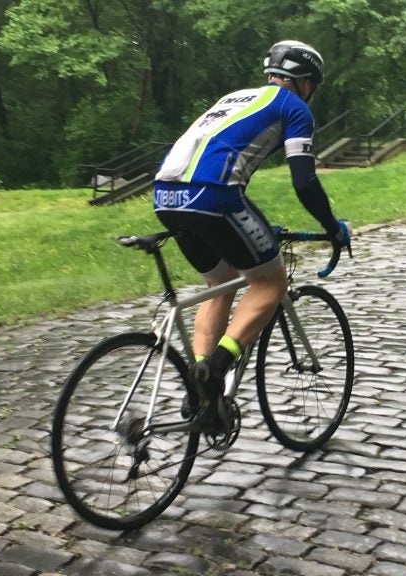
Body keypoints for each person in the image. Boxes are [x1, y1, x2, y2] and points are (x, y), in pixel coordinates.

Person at [152, 40, 350, 435]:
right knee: (270, 282)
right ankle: (217, 366)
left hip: (165, 195)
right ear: (307, 81)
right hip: (214, 195)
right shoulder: (294, 107)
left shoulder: (237, 97)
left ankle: (201, 389)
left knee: (220, 283)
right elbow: (305, 181)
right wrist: (331, 226)